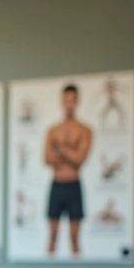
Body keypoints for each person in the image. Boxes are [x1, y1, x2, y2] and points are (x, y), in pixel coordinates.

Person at [44, 84, 93, 257]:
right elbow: (48, 159)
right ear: (62, 101)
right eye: (66, 100)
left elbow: (80, 159)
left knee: (74, 238)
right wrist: (71, 153)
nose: (69, 104)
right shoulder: (53, 130)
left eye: (72, 100)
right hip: (57, 184)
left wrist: (61, 149)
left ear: (77, 101)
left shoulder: (84, 130)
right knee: (52, 236)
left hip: (74, 185)